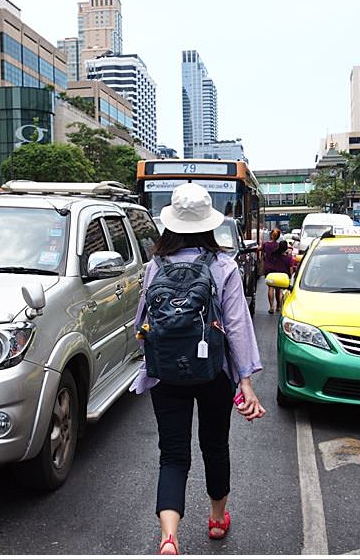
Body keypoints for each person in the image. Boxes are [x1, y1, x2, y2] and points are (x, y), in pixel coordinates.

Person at [130, 183, 266, 555]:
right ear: (209, 224)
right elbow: (237, 327)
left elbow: (142, 324)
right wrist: (246, 382)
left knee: (172, 454)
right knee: (215, 445)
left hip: (166, 374)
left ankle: (169, 536)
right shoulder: (223, 266)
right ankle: (217, 518)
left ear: (170, 224)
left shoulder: (154, 266)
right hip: (213, 374)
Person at [261, 229, 292, 313]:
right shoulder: (278, 246)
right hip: (278, 269)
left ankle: (271, 307)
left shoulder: (265, 245)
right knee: (279, 288)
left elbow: (262, 253)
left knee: (270, 287)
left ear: (271, 235)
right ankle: (278, 306)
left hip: (268, 268)